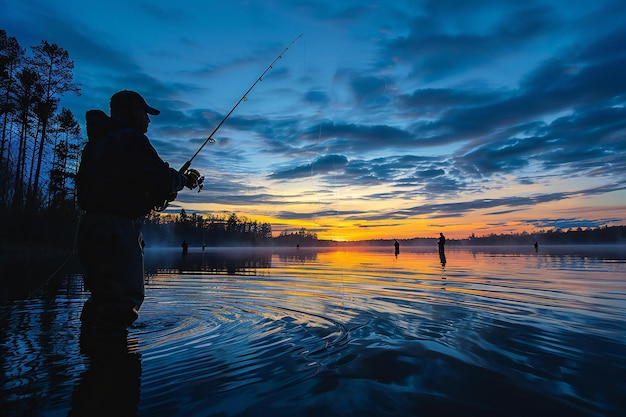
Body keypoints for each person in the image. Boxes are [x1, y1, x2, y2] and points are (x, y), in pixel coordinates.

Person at [76, 90, 201, 337]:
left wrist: (155, 193)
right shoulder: (130, 138)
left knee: (101, 298)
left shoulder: (98, 143)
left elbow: (124, 183)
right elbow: (162, 179)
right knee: (123, 300)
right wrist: (182, 179)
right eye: (146, 113)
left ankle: (93, 358)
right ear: (133, 109)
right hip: (117, 229)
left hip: (92, 228)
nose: (149, 121)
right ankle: (114, 366)